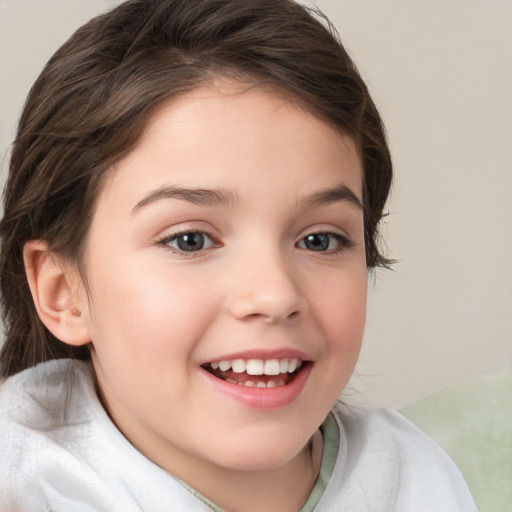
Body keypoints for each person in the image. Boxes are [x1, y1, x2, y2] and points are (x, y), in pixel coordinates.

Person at [0, 0, 477, 510]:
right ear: (63, 293)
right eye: (190, 240)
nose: (274, 295)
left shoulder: (414, 478)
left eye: (319, 239)